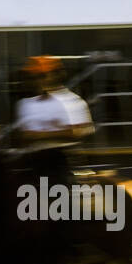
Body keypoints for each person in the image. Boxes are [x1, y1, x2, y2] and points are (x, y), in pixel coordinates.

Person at [13, 55, 93, 194]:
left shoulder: (72, 101)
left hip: (62, 162)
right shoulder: (25, 104)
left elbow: (78, 132)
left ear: (57, 75)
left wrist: (38, 135)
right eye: (32, 77)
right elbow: (24, 136)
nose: (36, 81)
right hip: (35, 163)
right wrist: (60, 130)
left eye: (41, 76)